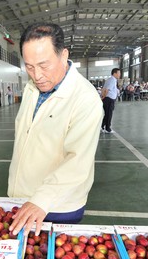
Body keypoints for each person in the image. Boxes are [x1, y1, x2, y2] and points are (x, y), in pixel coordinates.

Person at [7, 22, 103, 235]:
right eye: (29, 67)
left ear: (63, 54)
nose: (37, 75)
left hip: (57, 205)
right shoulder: (32, 88)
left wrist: (41, 200)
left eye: (43, 65)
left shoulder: (85, 99)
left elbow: (78, 162)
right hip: (23, 199)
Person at [101, 68, 120, 133]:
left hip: (108, 99)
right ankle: (107, 128)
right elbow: (106, 90)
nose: (119, 74)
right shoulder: (112, 80)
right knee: (109, 114)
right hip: (109, 99)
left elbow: (104, 89)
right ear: (114, 73)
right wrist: (103, 97)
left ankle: (102, 126)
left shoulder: (110, 79)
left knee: (107, 114)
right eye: (118, 73)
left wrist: (103, 97)